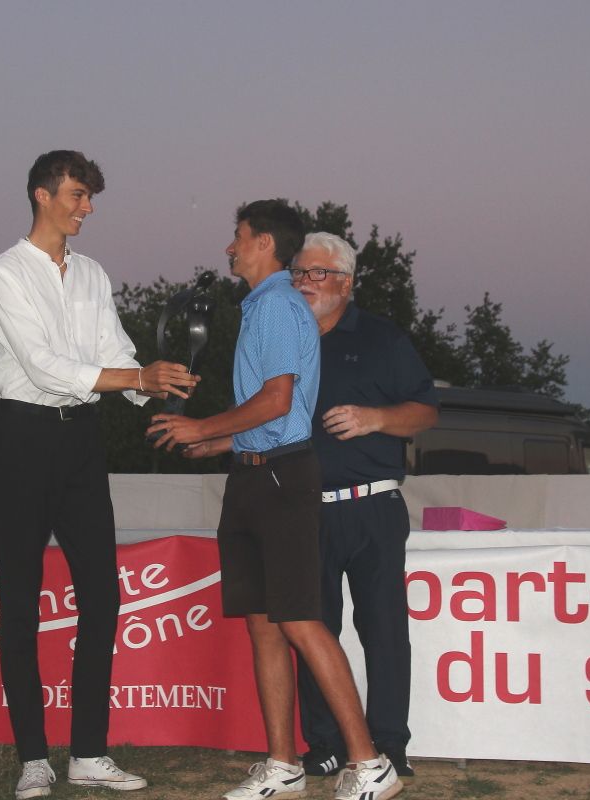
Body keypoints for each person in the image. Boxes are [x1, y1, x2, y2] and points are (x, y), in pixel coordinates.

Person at [148, 201, 402, 800]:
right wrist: (224, 443)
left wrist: (203, 425)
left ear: (264, 242)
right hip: (253, 477)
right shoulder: (261, 307)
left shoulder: (280, 305)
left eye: (237, 236)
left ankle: (370, 763)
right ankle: (283, 765)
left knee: (300, 620)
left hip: (283, 481)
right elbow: (273, 414)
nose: (229, 248)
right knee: (265, 626)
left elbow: (278, 400)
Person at [0, 150, 198, 800]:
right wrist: (133, 376)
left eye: (89, 196)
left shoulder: (92, 273)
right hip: (21, 437)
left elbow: (113, 351)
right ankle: (33, 759)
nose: (88, 208)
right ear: (42, 195)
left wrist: (152, 385)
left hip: (81, 439)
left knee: (102, 597)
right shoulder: (4, 271)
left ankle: (88, 753)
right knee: (19, 602)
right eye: (78, 195)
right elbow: (43, 366)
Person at [290, 232, 438, 779]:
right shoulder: (285, 339)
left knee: (383, 631)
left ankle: (390, 744)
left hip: (373, 506)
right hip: (304, 509)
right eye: (298, 273)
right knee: (312, 628)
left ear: (346, 283)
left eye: (317, 273)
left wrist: (376, 418)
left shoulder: (382, 337)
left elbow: (426, 411)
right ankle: (326, 743)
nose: (304, 283)